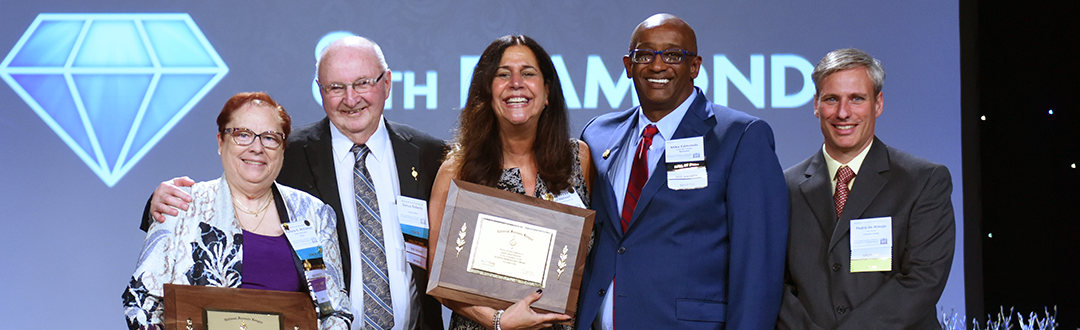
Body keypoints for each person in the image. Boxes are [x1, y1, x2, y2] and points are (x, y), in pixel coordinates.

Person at [142, 36, 447, 330]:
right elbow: (225, 204)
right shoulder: (283, 154)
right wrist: (157, 206)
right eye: (336, 87)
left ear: (387, 83)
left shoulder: (430, 156)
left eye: (363, 83)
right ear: (320, 90)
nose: (351, 99)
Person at [575, 13, 789, 329]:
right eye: (644, 55)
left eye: (673, 55)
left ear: (695, 66)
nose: (657, 65)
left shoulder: (740, 137)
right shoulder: (597, 135)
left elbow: (758, 268)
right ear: (628, 66)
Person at [122, 92, 352, 329]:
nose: (256, 148)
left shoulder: (314, 215)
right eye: (243, 135)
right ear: (221, 142)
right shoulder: (181, 204)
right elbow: (141, 301)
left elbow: (334, 311)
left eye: (270, 138)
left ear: (283, 149)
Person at [777, 48, 955, 329]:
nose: (843, 113)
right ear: (816, 105)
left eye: (856, 99)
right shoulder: (784, 187)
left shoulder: (924, 180)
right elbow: (773, 282)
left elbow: (923, 278)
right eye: (831, 99)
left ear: (878, 104)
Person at [426, 35, 587, 330]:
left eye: (528, 73)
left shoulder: (578, 159)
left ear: (547, 92)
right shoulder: (457, 171)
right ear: (487, 92)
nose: (516, 83)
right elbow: (438, 276)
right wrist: (500, 322)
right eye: (502, 74)